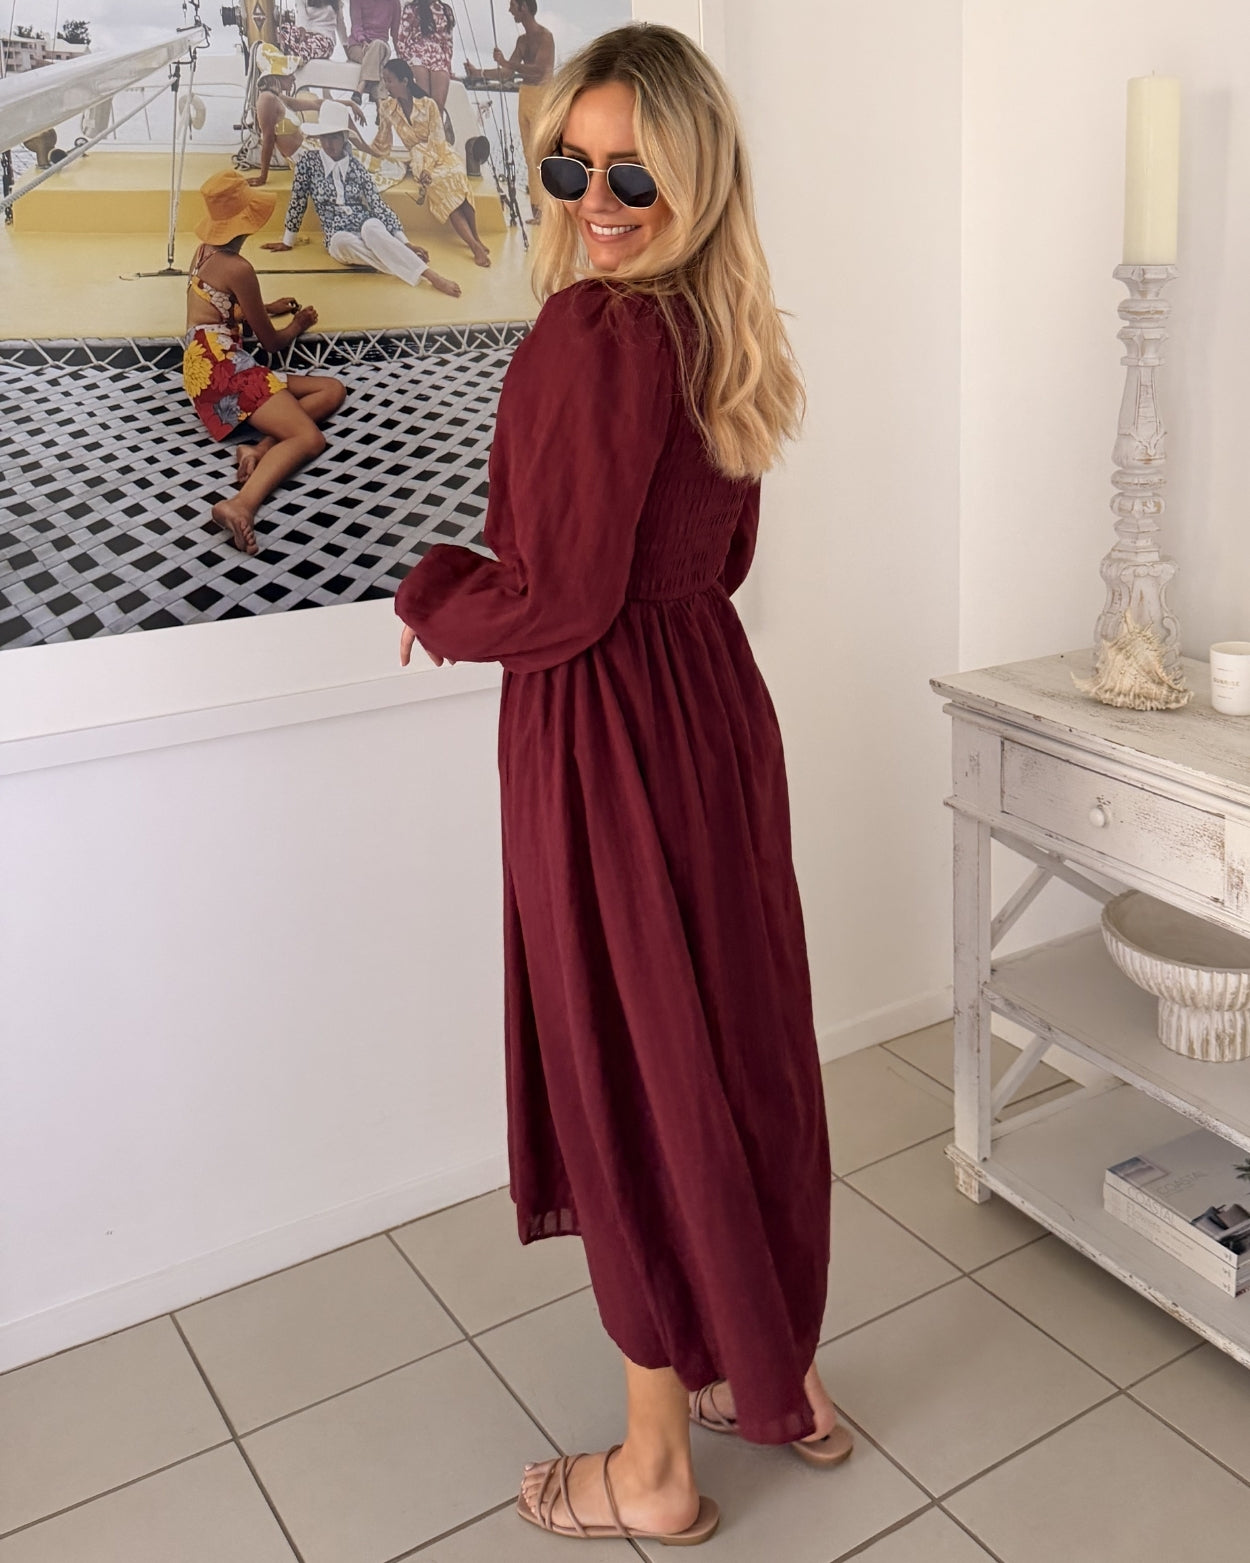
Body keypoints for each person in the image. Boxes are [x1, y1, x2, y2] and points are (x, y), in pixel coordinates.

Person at [394, 22, 847, 1549]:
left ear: (696, 175)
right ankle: (770, 1370)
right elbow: (721, 559)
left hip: (600, 737)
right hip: (711, 718)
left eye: (633, 171)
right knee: (732, 1046)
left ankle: (655, 1462)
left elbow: (564, 598)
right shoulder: (725, 329)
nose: (596, 198)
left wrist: (434, 592)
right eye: (568, 166)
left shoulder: (593, 335)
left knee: (630, 1068)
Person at [183, 170, 345, 555]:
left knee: (331, 389)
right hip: (226, 370)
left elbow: (218, 304)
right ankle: (241, 504)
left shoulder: (204, 251)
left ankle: (258, 449)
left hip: (202, 365)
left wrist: (266, 307)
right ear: (248, 221)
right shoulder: (240, 268)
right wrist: (297, 324)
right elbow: (271, 344)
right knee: (308, 439)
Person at [262, 100, 461, 296]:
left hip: (366, 225)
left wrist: (405, 242)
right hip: (338, 234)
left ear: (344, 138)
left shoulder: (356, 166)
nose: (328, 144)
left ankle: (430, 275)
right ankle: (405, 261)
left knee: (372, 228)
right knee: (341, 243)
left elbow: (376, 204)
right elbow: (298, 201)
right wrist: (288, 241)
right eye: (324, 137)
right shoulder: (308, 163)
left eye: (334, 137)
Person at [351, 58, 490, 267]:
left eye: (389, 80)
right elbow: (382, 143)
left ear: (404, 81)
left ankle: (476, 237)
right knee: (442, 186)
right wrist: (359, 144)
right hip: (418, 158)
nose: (386, 86)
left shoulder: (428, 104)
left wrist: (428, 167)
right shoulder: (387, 107)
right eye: (384, 80)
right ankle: (473, 246)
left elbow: (437, 139)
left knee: (457, 177)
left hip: (441, 152)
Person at [463, 0, 552, 223]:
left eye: (513, 5)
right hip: (526, 95)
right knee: (529, 156)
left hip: (542, 96)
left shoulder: (545, 36)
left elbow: (539, 69)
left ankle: (551, 209)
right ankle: (537, 210)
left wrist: (507, 63)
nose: (510, 10)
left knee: (542, 154)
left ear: (524, 7)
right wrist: (478, 72)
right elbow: (506, 73)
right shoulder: (522, 41)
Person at [395, 0, 455, 133]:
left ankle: (435, 138)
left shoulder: (445, 10)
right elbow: (402, 40)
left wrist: (447, 65)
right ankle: (421, 136)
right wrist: (404, 63)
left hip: (438, 58)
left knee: (438, 105)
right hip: (416, 55)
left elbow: (448, 42)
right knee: (423, 101)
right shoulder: (411, 9)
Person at [345, 0, 400, 105]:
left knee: (378, 45)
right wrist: (362, 40)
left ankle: (361, 87)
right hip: (359, 45)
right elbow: (356, 25)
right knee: (378, 63)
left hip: (382, 47)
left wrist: (401, 55)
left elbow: (395, 33)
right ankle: (381, 106)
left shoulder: (394, 3)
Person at [278, 0, 347, 63]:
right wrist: (301, 30)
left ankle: (294, 55)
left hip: (324, 39)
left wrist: (346, 46)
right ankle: (291, 52)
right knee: (284, 29)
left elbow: (340, 24)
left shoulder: (336, 2)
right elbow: (301, 16)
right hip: (306, 35)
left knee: (305, 48)